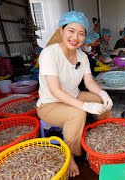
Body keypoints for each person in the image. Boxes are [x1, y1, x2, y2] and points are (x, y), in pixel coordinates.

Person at [36, 11, 113, 177]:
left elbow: (89, 82)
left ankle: (105, 136)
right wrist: (85, 106)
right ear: (61, 30)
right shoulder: (49, 53)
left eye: (81, 33)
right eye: (71, 31)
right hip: (50, 104)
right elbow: (55, 90)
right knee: (77, 113)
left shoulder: (82, 56)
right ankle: (69, 155)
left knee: (100, 100)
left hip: (73, 95)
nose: (75, 37)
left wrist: (103, 93)